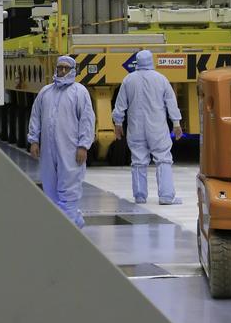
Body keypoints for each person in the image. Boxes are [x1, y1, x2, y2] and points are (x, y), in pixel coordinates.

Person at [27, 55, 95, 227]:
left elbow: (87, 120)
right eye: (60, 68)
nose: (62, 71)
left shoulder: (80, 92)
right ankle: (73, 222)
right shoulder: (46, 92)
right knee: (50, 189)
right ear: (56, 69)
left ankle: (69, 228)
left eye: (66, 68)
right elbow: (35, 116)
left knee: (69, 190)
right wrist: (34, 140)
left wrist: (83, 145)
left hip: (71, 151)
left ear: (73, 70)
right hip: (48, 152)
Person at [111, 50, 183, 205]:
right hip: (157, 127)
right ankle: (166, 196)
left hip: (135, 127)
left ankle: (140, 196)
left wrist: (118, 123)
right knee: (163, 159)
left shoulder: (128, 80)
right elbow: (171, 102)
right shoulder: (161, 79)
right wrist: (176, 123)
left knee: (138, 160)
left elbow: (120, 105)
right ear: (152, 61)